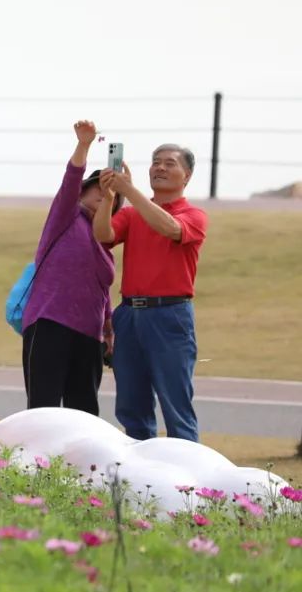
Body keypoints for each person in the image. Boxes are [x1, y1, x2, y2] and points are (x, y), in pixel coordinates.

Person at [94, 145, 208, 442]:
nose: (159, 168)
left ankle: (187, 483)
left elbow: (170, 228)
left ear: (187, 175)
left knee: (175, 404)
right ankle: (140, 480)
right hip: (129, 314)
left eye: (169, 164)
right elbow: (103, 235)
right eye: (156, 163)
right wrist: (109, 198)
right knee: (132, 404)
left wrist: (129, 191)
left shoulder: (193, 215)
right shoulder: (131, 214)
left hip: (170, 314)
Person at [22, 120, 121, 415]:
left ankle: (80, 464)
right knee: (44, 408)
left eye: (110, 197)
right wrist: (84, 145)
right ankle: (38, 462)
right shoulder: (65, 218)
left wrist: (108, 330)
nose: (103, 197)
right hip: (50, 322)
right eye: (96, 190)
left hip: (89, 336)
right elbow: (70, 179)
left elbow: (102, 292)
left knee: (84, 413)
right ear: (82, 193)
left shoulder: (106, 242)